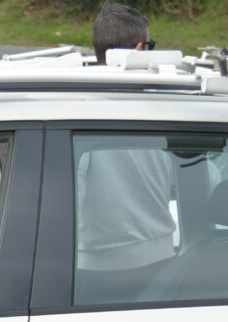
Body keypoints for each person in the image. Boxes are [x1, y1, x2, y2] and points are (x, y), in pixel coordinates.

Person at [76, 2, 175, 304]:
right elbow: (196, 175)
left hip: (92, 268)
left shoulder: (77, 111)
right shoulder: (169, 111)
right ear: (140, 48)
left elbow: (70, 197)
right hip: (162, 263)